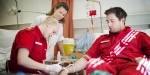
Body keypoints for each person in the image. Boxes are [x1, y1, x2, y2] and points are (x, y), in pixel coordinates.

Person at [59, 7, 150, 75]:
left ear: (122, 20)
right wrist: (67, 70)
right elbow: (86, 59)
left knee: (136, 70)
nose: (109, 24)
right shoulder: (102, 39)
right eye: (107, 21)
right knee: (93, 64)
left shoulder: (138, 36)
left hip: (131, 66)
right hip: (107, 67)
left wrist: (146, 62)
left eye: (112, 21)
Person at [9, 2, 68, 75]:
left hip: (35, 71)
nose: (52, 35)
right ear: (47, 25)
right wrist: (48, 68)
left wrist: (53, 70)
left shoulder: (44, 42)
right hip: (20, 72)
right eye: (53, 32)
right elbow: (22, 60)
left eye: (63, 14)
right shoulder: (27, 34)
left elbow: (39, 65)